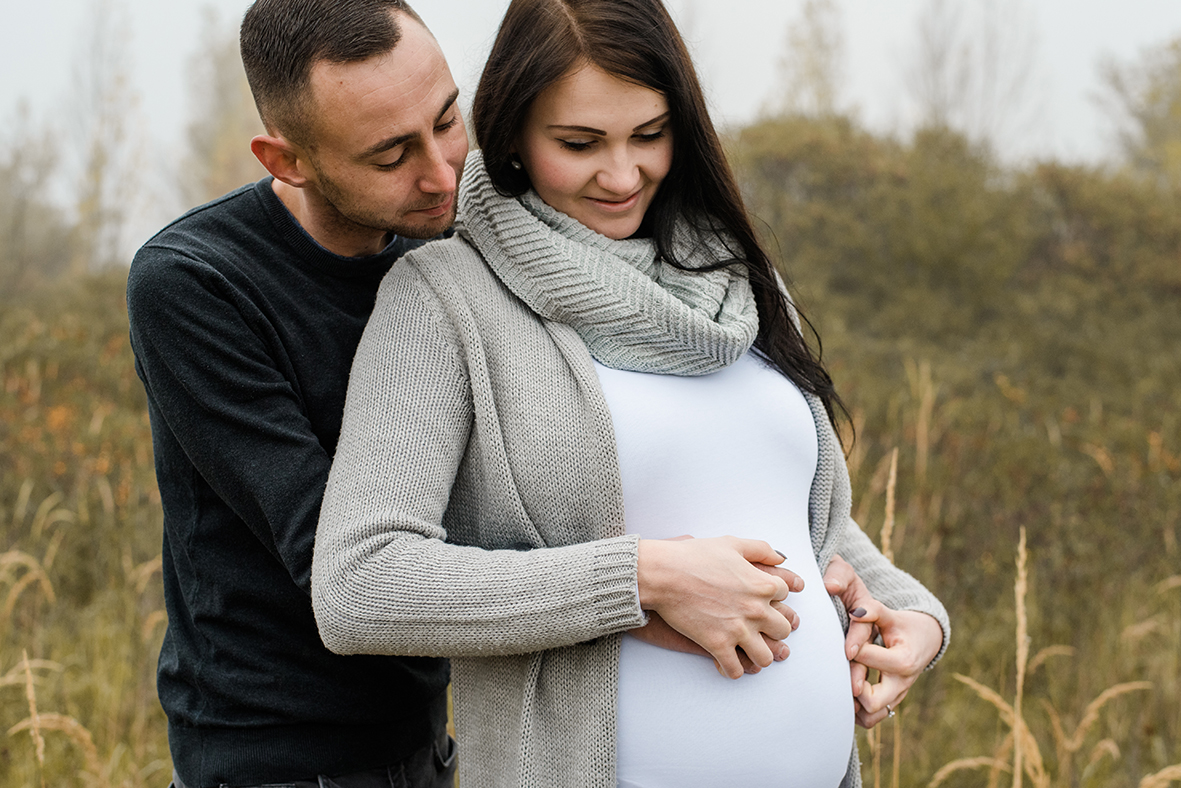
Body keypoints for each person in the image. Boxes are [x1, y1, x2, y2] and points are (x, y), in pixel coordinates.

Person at [126, 1, 878, 785]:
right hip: (276, 753)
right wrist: (643, 588)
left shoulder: (464, 235)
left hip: (428, 735)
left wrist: (871, 593)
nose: (444, 172)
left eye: (447, 120)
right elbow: (335, 559)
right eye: (390, 155)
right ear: (287, 161)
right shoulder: (197, 284)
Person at [311, 0, 950, 786]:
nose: (621, 175)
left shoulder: (739, 284)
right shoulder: (446, 299)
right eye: (578, 144)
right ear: (510, 134)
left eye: (649, 135)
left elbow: (786, 509)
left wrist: (909, 610)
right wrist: (643, 578)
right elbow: (360, 586)